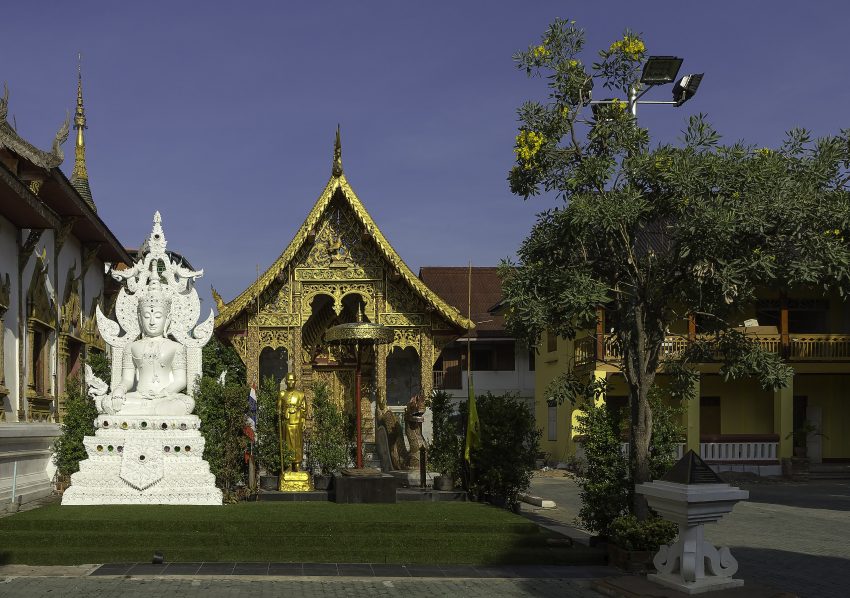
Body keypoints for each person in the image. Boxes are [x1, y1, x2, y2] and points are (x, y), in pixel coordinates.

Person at [108, 280, 193, 415]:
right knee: (106, 403)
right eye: (147, 316)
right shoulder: (131, 347)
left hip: (165, 397)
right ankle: (151, 411)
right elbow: (127, 380)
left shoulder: (176, 347)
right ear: (140, 319)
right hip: (139, 396)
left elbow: (181, 380)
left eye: (158, 316)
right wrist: (119, 391)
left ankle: (145, 411)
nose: (152, 322)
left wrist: (163, 394)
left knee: (188, 403)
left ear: (168, 319)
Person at [278, 372, 306, 471]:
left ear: (295, 381)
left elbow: (304, 410)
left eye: (292, 380)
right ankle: (289, 464)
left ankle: (297, 464)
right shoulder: (282, 394)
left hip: (297, 422)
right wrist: (282, 412)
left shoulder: (301, 394)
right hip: (286, 422)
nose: (290, 382)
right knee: (287, 443)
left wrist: (303, 421)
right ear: (285, 381)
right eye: (288, 380)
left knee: (297, 443)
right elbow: (278, 409)